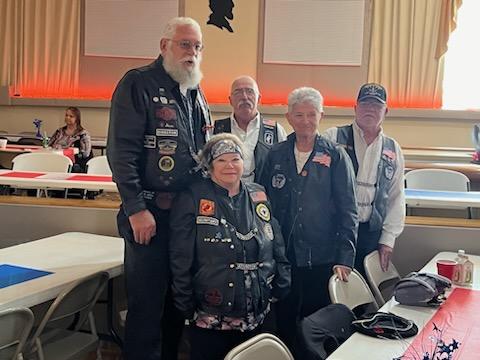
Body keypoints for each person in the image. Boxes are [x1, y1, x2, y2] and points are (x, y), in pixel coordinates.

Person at [107, 17, 212, 360]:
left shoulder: (195, 92)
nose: (192, 53)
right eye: (185, 44)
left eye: (197, 46)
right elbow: (121, 152)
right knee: (146, 306)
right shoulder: (138, 84)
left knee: (176, 304)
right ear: (165, 46)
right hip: (148, 215)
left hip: (183, 218)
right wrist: (137, 209)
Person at [169, 133, 291, 360]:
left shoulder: (258, 194)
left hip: (258, 309)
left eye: (235, 159)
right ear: (209, 165)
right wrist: (183, 300)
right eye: (221, 160)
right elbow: (180, 255)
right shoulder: (192, 197)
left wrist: (282, 279)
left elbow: (275, 238)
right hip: (210, 313)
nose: (230, 166)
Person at [260, 87, 358, 355]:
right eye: (299, 114)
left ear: (321, 116)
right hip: (283, 255)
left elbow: (349, 208)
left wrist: (345, 257)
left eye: (311, 115)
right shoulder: (275, 154)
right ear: (288, 117)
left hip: (322, 255)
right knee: (284, 317)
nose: (305, 121)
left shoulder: (336, 155)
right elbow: (262, 203)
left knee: (315, 321)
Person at [323, 83, 405, 276]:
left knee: (362, 294)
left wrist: (388, 239)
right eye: (365, 103)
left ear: (386, 111)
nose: (370, 109)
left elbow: (396, 197)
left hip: (370, 233)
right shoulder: (332, 137)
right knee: (329, 289)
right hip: (334, 230)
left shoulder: (393, 149)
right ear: (355, 108)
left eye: (376, 105)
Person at [214, 76, 287, 183]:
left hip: (264, 195)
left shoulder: (275, 130)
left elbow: (284, 166)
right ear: (230, 100)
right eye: (238, 92)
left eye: (250, 91)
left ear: (259, 98)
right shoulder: (216, 129)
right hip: (223, 195)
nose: (244, 97)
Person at [48, 106, 92, 172]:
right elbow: (50, 145)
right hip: (57, 160)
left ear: (77, 119)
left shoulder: (83, 134)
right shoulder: (59, 131)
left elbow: (86, 153)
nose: (67, 118)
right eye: (66, 115)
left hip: (76, 164)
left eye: (71, 116)